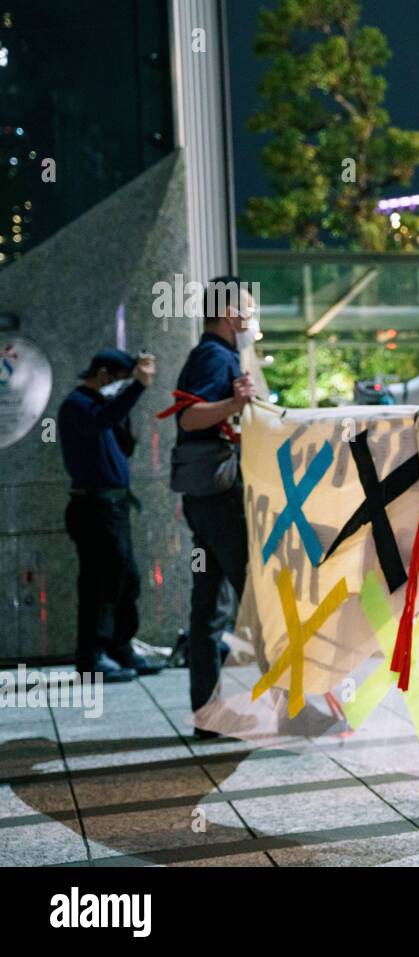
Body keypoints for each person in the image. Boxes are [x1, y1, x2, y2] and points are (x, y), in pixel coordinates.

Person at [173, 278, 258, 735]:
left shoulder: (209, 354)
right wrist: (234, 401)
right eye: (247, 307)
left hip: (203, 498)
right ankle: (296, 704)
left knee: (209, 608)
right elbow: (189, 416)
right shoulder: (215, 356)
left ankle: (209, 715)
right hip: (221, 498)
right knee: (258, 599)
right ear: (229, 314)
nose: (250, 317)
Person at [58, 348, 160, 682]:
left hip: (114, 506)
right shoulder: (77, 406)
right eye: (118, 380)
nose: (121, 386)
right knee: (99, 583)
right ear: (102, 375)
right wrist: (135, 389)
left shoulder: (105, 408)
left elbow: (126, 445)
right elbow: (98, 423)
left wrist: (128, 400)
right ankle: (91, 656)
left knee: (125, 578)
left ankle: (120, 645)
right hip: (92, 506)